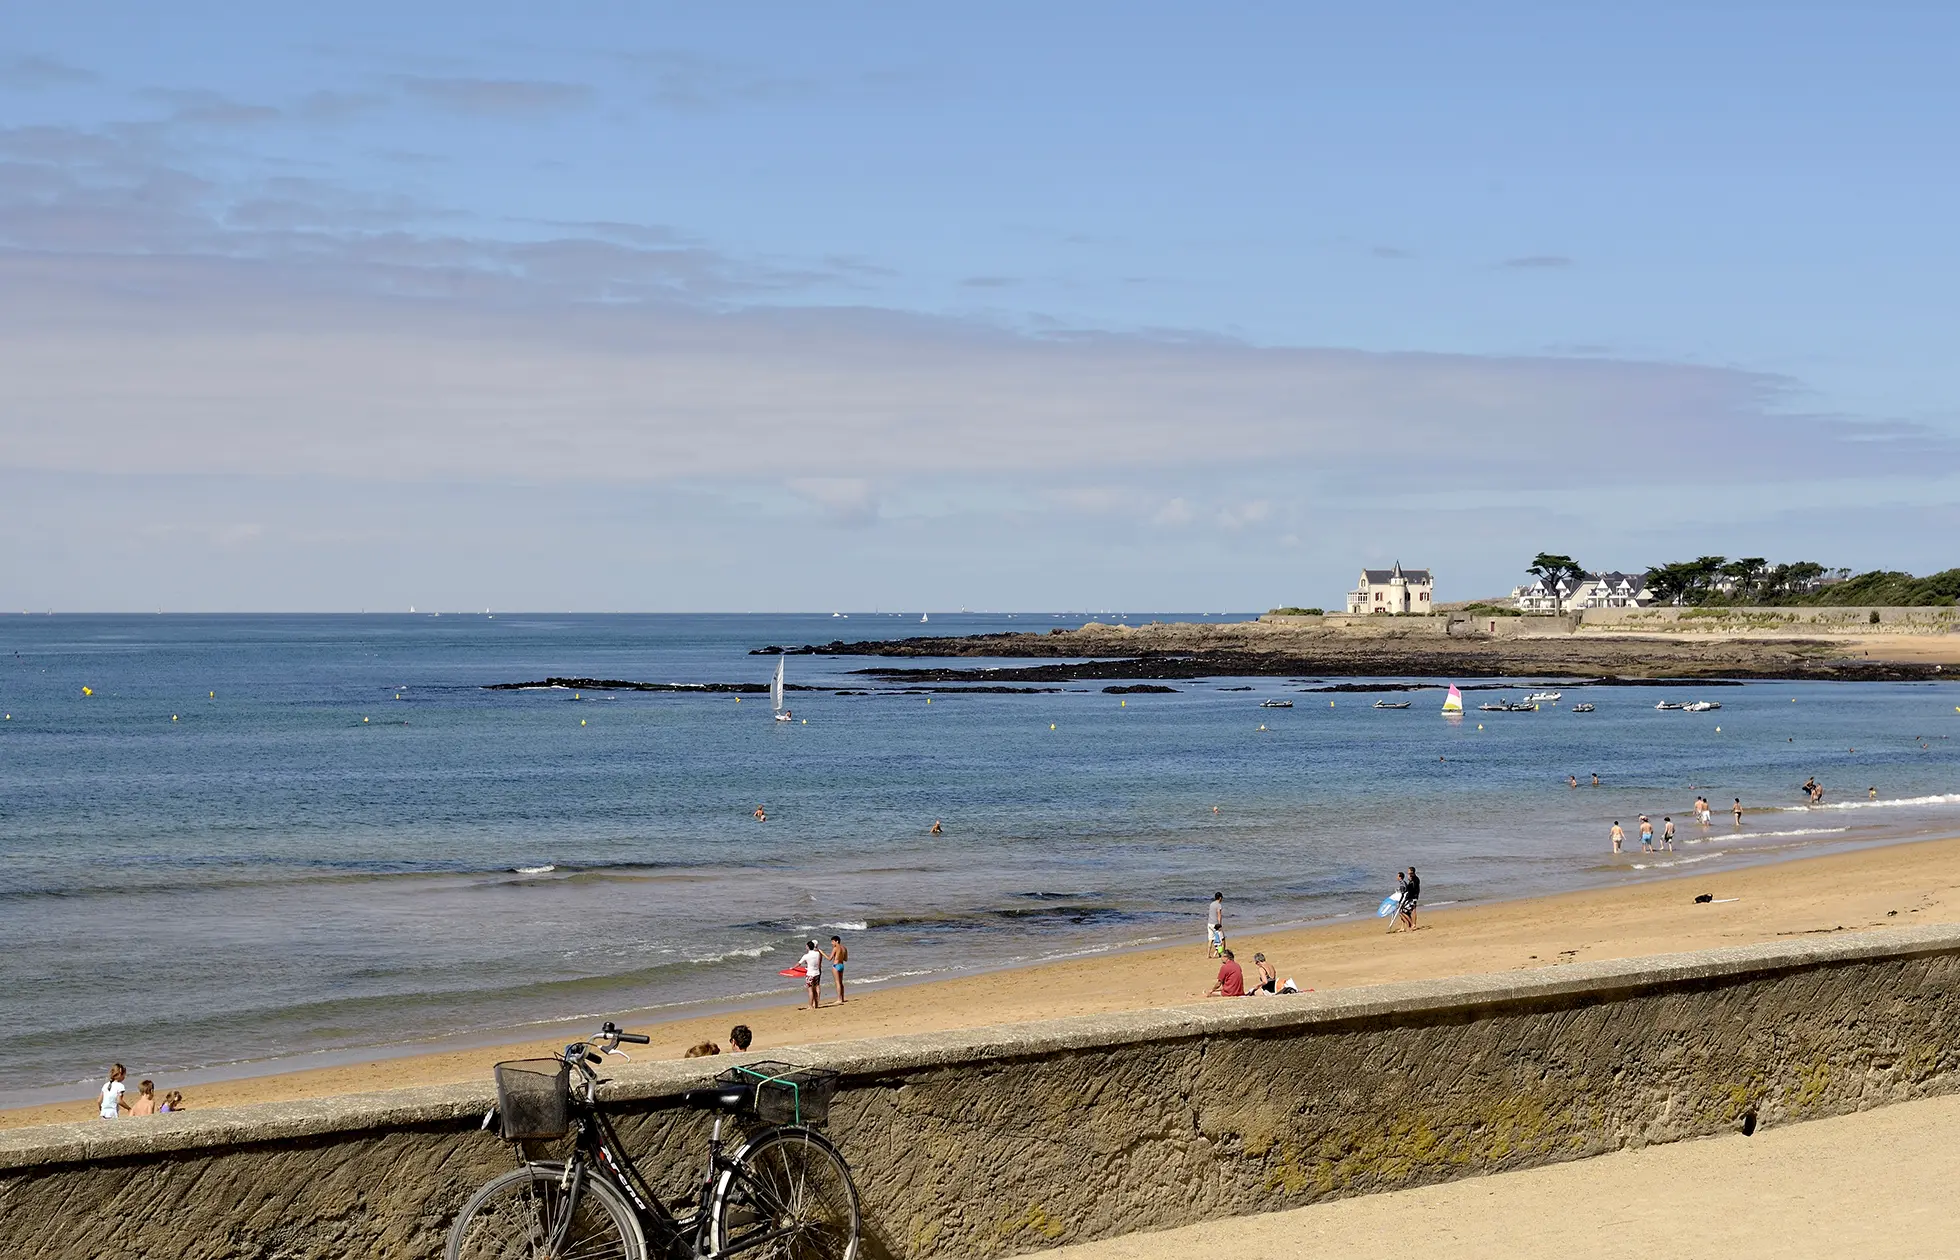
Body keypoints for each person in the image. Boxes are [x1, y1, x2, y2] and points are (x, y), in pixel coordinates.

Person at [798, 939, 825, 1009]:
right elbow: (818, 963)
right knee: (816, 988)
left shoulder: (806, 956)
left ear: (807, 947)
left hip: (810, 974)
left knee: (810, 990)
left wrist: (792, 968)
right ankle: (816, 1004)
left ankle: (810, 1005)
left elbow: (799, 963)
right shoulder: (818, 953)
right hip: (817, 973)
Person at [827, 935, 848, 1003]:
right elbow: (845, 959)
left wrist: (822, 953)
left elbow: (829, 958)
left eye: (833, 942)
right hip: (841, 965)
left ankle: (839, 999)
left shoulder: (835, 948)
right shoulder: (844, 948)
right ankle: (842, 998)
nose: (832, 943)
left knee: (837, 982)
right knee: (841, 982)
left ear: (837, 941)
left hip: (836, 965)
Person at [1207, 892, 1225, 957]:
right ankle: (1221, 953)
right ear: (1220, 898)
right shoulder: (1218, 905)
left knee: (1210, 939)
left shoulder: (1211, 904)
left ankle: (1208, 954)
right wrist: (1220, 924)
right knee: (1221, 939)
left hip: (1209, 923)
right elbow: (1219, 915)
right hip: (1215, 924)